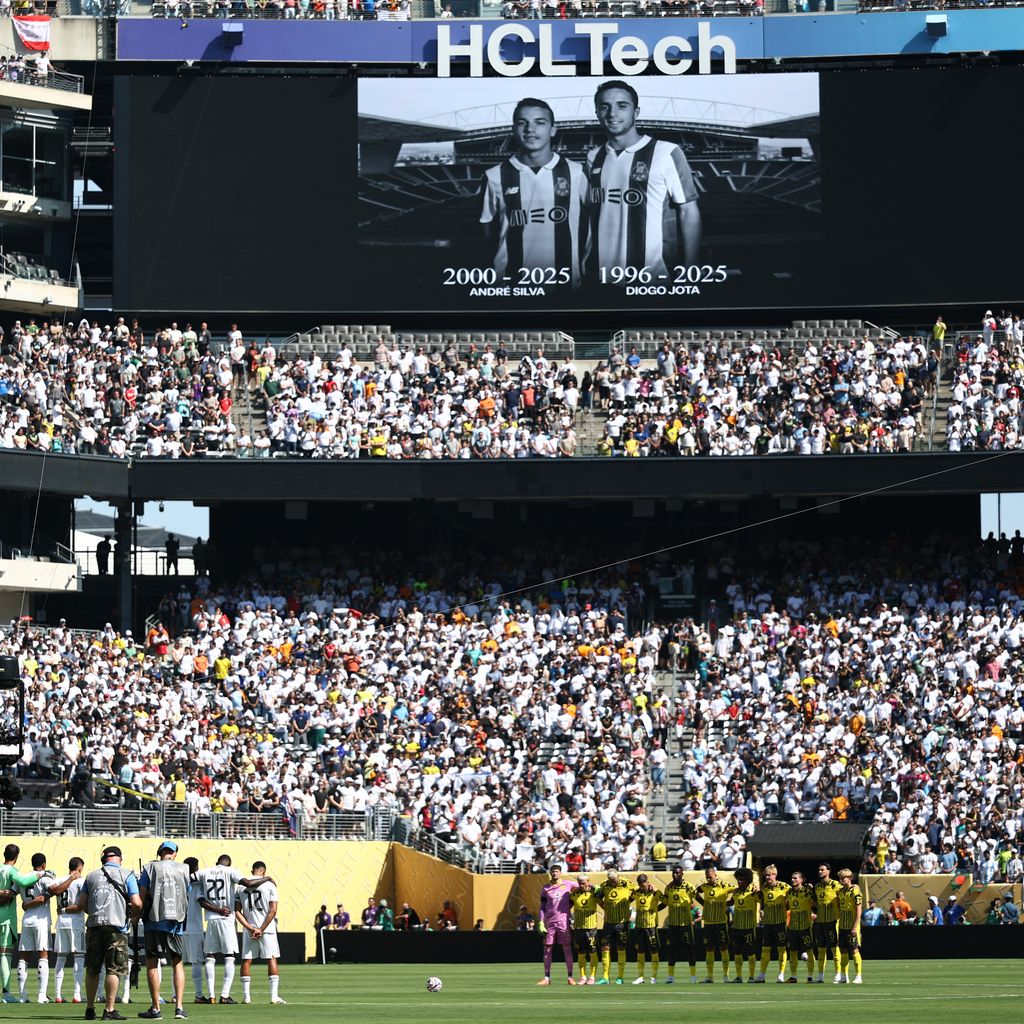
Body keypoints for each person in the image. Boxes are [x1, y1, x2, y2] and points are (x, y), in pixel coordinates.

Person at [585, 79, 701, 284]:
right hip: (601, 277)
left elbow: (688, 210)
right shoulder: (594, 157)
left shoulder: (666, 152)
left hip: (653, 277)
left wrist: (691, 269)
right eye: (605, 107)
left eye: (622, 106)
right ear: (597, 114)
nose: (612, 113)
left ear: (636, 112)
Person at [480, 98, 587, 291]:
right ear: (513, 129)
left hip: (565, 283)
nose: (530, 129)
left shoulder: (578, 172)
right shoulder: (494, 175)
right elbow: (487, 230)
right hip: (509, 284)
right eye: (522, 123)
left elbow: (593, 225)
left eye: (540, 122)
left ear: (553, 130)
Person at [68, 844, 142, 1021]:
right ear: (119, 859)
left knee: (92, 969)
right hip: (116, 927)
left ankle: (90, 1008)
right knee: (113, 969)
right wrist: (133, 916)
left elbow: (83, 904)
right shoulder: (127, 874)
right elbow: (137, 902)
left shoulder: (91, 875)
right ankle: (109, 1009)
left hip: (94, 926)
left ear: (104, 859)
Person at [196, 855, 269, 1005]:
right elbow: (248, 883)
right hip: (227, 918)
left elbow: (191, 881)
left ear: (216, 863)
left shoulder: (204, 872)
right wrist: (266, 879)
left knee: (210, 956)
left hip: (211, 919)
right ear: (229, 865)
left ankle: (211, 996)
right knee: (229, 956)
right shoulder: (231, 871)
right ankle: (224, 995)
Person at [137, 840, 190, 1020]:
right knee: (177, 963)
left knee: (152, 962)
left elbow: (142, 894)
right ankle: (179, 1007)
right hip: (177, 921)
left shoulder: (150, 868)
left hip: (154, 920)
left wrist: (136, 916)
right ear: (174, 854)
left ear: (160, 853)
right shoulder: (184, 869)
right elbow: (186, 892)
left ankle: (156, 1008)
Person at [17, 852, 77, 1003]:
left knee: (24, 957)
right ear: (43, 865)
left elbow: (15, 893)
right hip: (41, 920)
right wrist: (71, 878)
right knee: (43, 956)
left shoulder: (25, 878)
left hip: (26, 921)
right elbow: (57, 890)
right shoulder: (44, 877)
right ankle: (41, 995)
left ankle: (22, 996)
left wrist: (27, 904)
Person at [235, 862, 285, 1006]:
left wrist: (250, 928)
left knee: (246, 960)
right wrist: (261, 929)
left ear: (252, 870)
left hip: (249, 929)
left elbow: (237, 911)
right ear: (264, 871)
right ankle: (274, 997)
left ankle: (246, 997)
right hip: (267, 929)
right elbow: (273, 910)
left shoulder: (240, 886)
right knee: (271, 958)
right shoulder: (270, 885)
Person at [1, 844, 40, 1004]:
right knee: (5, 955)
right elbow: (23, 881)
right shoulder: (11, 871)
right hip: (6, 919)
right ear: (16, 857)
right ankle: (6, 993)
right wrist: (40, 874)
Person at [536, 863, 576, 986]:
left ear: (560, 872)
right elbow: (542, 907)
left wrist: (592, 887)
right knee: (547, 949)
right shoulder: (545, 888)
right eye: (552, 871)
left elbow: (583, 887)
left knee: (566, 948)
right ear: (550, 873)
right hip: (550, 922)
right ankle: (547, 978)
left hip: (564, 921)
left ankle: (570, 977)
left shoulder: (569, 884)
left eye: (557, 871)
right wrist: (541, 922)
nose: (554, 873)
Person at [54, 856, 87, 1004]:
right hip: (76, 923)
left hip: (61, 923)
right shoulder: (81, 882)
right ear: (79, 868)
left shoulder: (60, 880)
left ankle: (58, 995)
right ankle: (77, 994)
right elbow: (80, 906)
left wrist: (62, 910)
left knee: (61, 958)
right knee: (78, 957)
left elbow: (54, 890)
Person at [695, 865, 734, 982]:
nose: (708, 879)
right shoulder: (705, 886)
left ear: (715, 875)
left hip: (721, 922)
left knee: (723, 947)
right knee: (709, 948)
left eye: (710, 877)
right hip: (708, 922)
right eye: (707, 877)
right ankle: (709, 976)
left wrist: (729, 902)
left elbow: (737, 890)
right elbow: (696, 892)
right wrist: (703, 903)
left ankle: (726, 976)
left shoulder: (725, 885)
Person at [661, 864, 698, 985]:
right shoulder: (669, 888)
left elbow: (697, 898)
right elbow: (665, 902)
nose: (675, 875)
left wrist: (706, 907)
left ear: (682, 874)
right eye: (674, 873)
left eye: (678, 873)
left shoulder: (688, 887)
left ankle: (693, 976)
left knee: (690, 948)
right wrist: (654, 908)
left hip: (686, 924)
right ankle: (670, 977)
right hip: (673, 924)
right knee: (672, 949)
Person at [595, 870, 634, 985]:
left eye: (614, 880)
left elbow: (638, 892)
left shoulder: (627, 883)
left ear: (618, 877)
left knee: (621, 948)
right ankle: (605, 977)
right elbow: (598, 898)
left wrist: (628, 902)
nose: (612, 882)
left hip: (622, 923)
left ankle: (620, 977)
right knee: (605, 948)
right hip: (608, 922)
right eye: (610, 880)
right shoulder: (604, 885)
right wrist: (604, 906)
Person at [755, 863, 789, 984]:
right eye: (766, 876)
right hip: (768, 924)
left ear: (775, 875)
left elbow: (793, 898)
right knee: (765, 949)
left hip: (780, 923)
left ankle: (781, 974)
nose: (768, 878)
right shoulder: (764, 887)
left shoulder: (784, 887)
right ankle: (762, 975)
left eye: (770, 875)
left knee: (781, 949)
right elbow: (762, 901)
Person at [181, 858, 209, 1005]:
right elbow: (202, 902)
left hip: (178, 928)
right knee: (196, 962)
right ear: (195, 868)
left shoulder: (178, 882)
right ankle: (198, 995)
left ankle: (174, 995)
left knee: (178, 963)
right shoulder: (197, 885)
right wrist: (217, 909)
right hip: (194, 928)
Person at [729, 866, 760, 983]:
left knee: (750, 951)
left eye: (742, 879)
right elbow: (731, 902)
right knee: (737, 951)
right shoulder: (736, 892)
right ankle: (738, 976)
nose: (739, 881)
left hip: (749, 927)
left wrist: (760, 892)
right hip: (737, 926)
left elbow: (763, 901)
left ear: (748, 880)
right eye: (738, 879)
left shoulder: (753, 892)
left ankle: (751, 976)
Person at [812, 862, 841, 984]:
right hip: (820, 922)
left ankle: (838, 974)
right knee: (821, 950)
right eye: (819, 870)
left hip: (831, 921)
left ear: (828, 871)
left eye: (822, 870)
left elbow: (844, 894)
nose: (820, 872)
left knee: (834, 949)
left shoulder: (835, 885)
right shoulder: (817, 886)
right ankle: (820, 976)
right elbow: (816, 903)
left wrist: (855, 887)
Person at [629, 873, 662, 985]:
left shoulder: (655, 892)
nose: (642, 888)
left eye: (644, 885)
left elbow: (666, 902)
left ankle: (654, 977)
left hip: (651, 926)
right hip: (639, 926)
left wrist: (656, 909)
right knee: (640, 951)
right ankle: (640, 977)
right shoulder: (637, 893)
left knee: (653, 950)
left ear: (647, 882)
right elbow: (629, 900)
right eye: (641, 886)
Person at [783, 871, 815, 983]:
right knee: (792, 952)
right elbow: (786, 905)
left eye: (795, 878)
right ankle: (793, 977)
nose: (793, 880)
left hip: (805, 927)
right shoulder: (789, 893)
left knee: (809, 951)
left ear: (801, 880)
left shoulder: (807, 892)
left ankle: (810, 977)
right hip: (792, 927)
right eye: (792, 878)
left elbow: (816, 904)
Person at [569, 874, 599, 985]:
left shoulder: (594, 892)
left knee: (592, 952)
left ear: (588, 881)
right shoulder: (574, 893)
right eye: (580, 882)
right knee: (581, 953)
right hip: (578, 928)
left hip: (591, 928)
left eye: (584, 882)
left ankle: (592, 976)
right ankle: (582, 977)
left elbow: (603, 903)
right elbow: (568, 905)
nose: (582, 884)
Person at [835, 868, 863, 984]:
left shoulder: (855, 891)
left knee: (854, 950)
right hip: (842, 926)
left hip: (852, 926)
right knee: (843, 951)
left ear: (850, 878)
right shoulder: (840, 892)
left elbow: (858, 911)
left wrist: (854, 927)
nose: (841, 880)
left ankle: (858, 976)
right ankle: (844, 976)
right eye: (840, 878)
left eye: (844, 878)